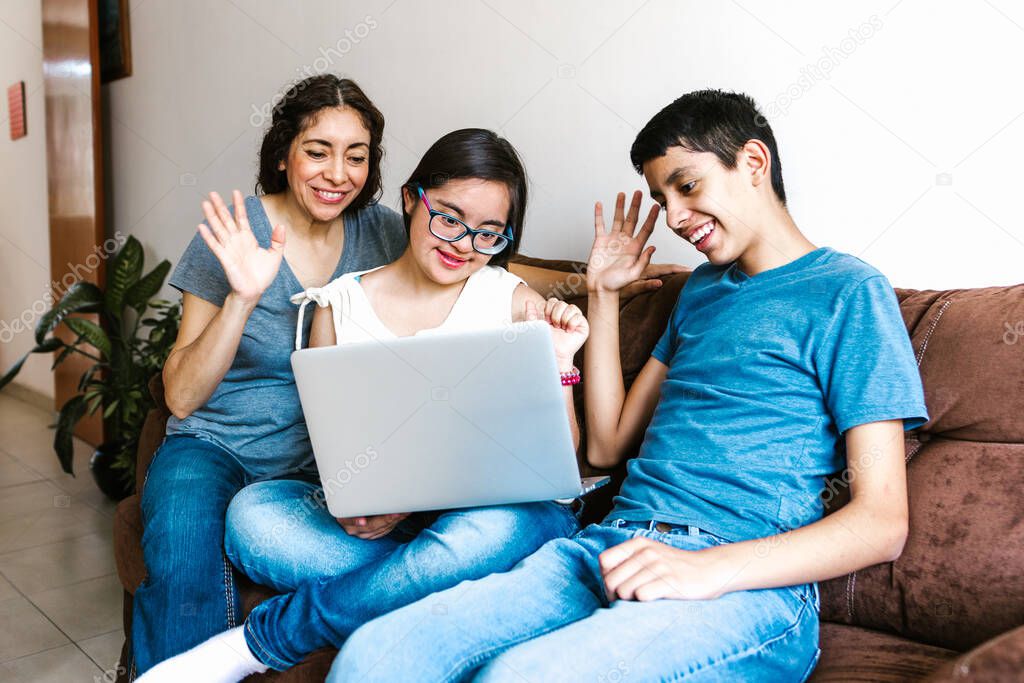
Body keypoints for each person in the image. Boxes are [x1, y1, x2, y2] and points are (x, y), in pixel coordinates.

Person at [321, 89, 930, 682]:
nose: (675, 218)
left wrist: (708, 570)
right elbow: (607, 448)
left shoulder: (848, 291)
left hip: (745, 581)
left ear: (753, 163)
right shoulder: (701, 292)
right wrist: (605, 293)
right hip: (610, 545)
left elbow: (881, 521)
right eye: (662, 198)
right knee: (374, 656)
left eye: (686, 186)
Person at [132, 73, 676, 676]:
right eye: (317, 151)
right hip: (224, 445)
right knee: (217, 533)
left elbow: (490, 263)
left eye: (356, 156)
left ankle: (285, 631)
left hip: (386, 483)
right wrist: (241, 296)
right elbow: (181, 397)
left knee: (485, 533)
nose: (337, 174)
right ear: (283, 153)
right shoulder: (253, 250)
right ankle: (449, 580)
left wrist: (589, 286)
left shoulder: (396, 234)